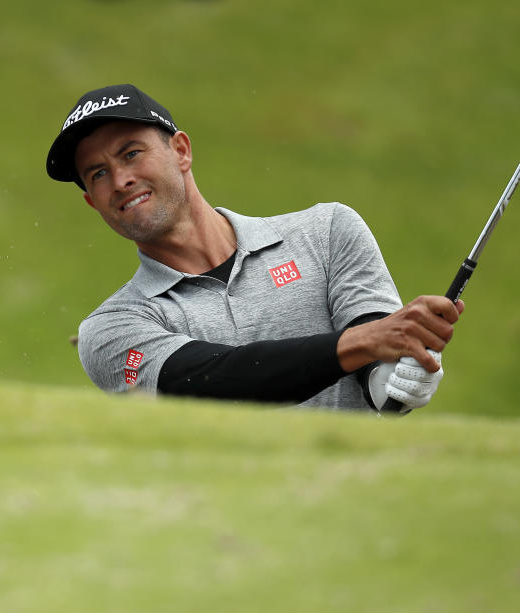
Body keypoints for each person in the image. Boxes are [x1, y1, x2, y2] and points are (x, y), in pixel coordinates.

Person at [46, 84, 464, 412]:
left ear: (181, 151)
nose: (120, 181)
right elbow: (214, 383)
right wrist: (366, 343)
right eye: (98, 174)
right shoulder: (109, 329)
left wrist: (400, 374)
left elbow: (379, 367)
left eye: (131, 153)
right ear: (91, 200)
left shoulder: (327, 231)